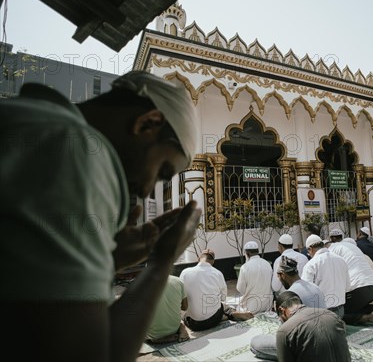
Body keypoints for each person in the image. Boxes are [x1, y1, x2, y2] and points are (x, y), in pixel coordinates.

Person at [1, 71, 203, 361]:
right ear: (148, 123)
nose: (147, 191)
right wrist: (161, 262)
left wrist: (111, 259)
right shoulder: (79, 152)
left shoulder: (29, 120)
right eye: (162, 172)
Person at [251, 291, 351, 362]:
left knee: (256, 342)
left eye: (280, 318)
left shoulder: (285, 330)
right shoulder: (331, 315)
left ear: (282, 310)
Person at [180, 249, 252, 332]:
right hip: (214, 320)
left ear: (198, 258)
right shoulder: (218, 273)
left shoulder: (185, 272)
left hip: (194, 324)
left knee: (183, 313)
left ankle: (225, 315)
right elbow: (223, 298)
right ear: (213, 262)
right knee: (224, 306)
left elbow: (180, 296)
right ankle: (230, 314)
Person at [328, 240, 373, 328]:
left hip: (359, 289)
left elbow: (336, 277)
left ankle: (369, 317)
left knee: (339, 313)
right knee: (356, 303)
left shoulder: (330, 252)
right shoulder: (352, 249)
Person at [301, 235, 351, 318]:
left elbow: (305, 293)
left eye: (308, 252)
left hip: (322, 313)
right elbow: (347, 287)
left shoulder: (311, 264)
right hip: (340, 310)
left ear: (310, 249)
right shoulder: (341, 260)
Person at [146, 275, 189, 344]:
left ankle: (157, 339)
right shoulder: (178, 281)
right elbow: (185, 307)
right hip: (174, 328)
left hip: (153, 334)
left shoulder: (140, 284)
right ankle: (181, 328)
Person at [237, 241, 273, 314]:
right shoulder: (267, 264)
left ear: (247, 254)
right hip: (267, 305)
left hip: (252, 308)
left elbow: (240, 289)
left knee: (236, 309)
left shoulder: (245, 267)